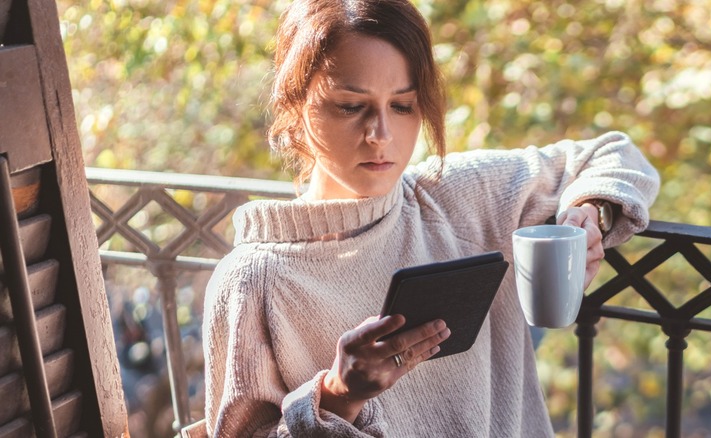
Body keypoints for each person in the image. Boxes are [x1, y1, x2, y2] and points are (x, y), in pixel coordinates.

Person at [198, 0, 660, 436]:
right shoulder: (251, 281)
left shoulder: (456, 195)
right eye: (350, 106)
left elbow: (613, 153)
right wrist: (337, 397)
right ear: (295, 108)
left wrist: (589, 213)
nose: (381, 135)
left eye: (402, 105)